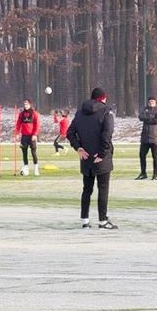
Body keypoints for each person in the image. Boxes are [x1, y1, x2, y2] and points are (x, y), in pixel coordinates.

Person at [67, 88, 116, 229]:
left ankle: (85, 221)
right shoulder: (107, 112)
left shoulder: (80, 113)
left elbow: (70, 133)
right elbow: (107, 134)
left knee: (87, 189)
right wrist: (102, 153)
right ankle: (102, 221)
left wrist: (78, 148)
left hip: (86, 157)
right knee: (103, 189)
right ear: (103, 98)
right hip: (101, 158)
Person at [136, 97, 157, 180]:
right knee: (142, 155)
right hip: (145, 137)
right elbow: (140, 117)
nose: (151, 103)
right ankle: (143, 173)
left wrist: (147, 118)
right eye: (150, 102)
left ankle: (155, 174)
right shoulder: (145, 109)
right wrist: (150, 117)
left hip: (154, 137)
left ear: (155, 102)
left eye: (153, 101)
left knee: (155, 156)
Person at [14, 98, 41, 175]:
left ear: (30, 105)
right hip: (24, 136)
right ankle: (26, 168)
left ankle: (36, 169)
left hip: (32, 136)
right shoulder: (21, 114)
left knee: (33, 153)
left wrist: (35, 134)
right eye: (24, 104)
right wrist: (17, 133)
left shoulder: (34, 113)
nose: (25, 106)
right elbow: (18, 124)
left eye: (27, 104)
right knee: (24, 153)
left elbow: (37, 125)